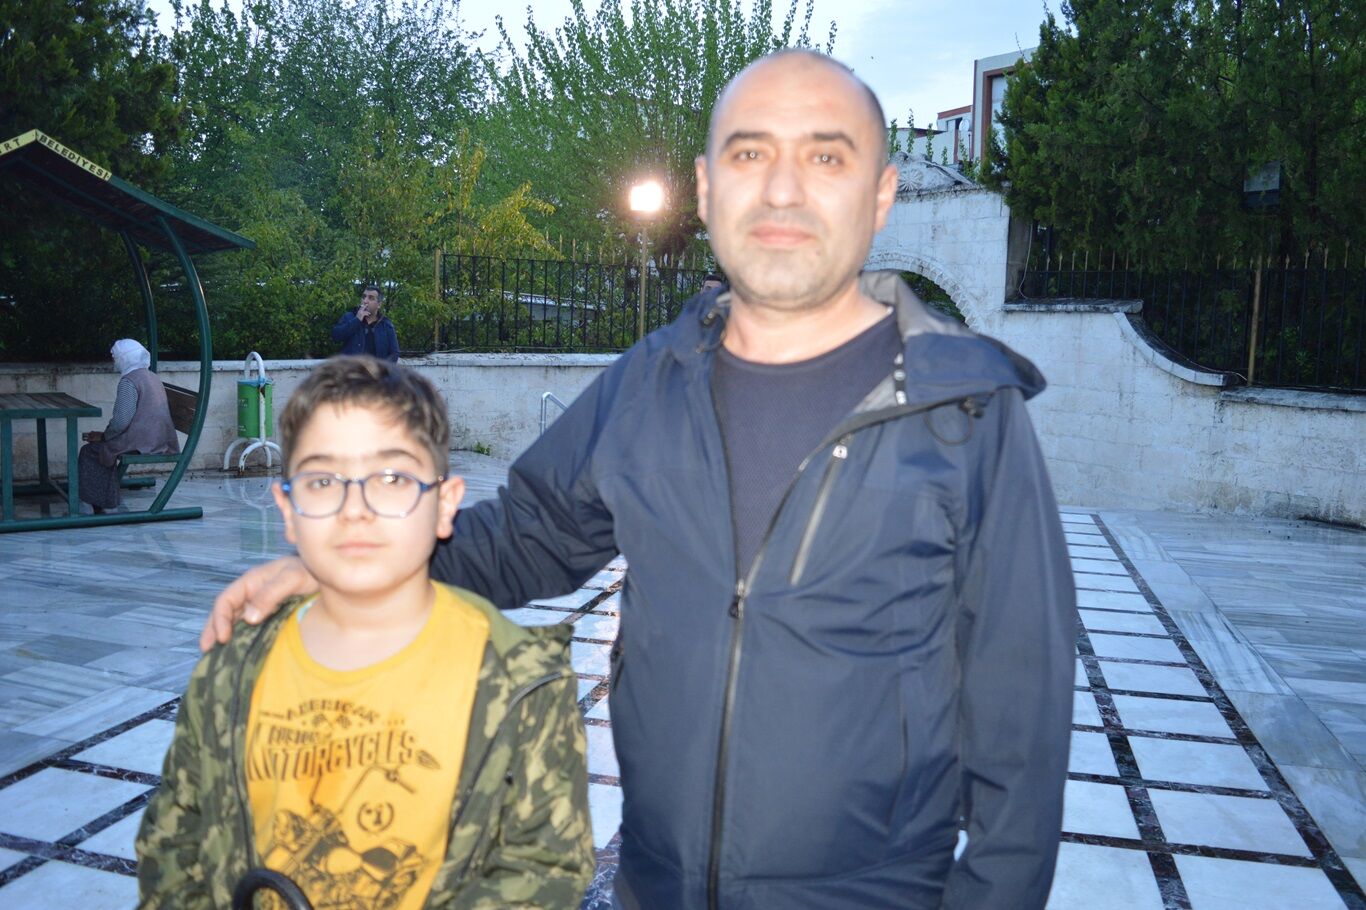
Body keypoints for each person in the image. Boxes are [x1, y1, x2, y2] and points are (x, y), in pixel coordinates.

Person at [206, 49, 1076, 909]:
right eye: (750, 153)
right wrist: (350, 572)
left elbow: (1022, 722)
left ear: (880, 194)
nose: (782, 189)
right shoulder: (650, 382)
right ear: (706, 189)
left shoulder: (967, 411)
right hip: (655, 884)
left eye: (825, 156)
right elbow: (526, 535)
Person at [139, 356, 593, 909]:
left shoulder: (524, 687)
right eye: (322, 480)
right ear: (288, 508)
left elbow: (544, 868)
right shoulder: (233, 667)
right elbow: (175, 841)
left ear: (445, 504)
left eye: (393, 478)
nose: (355, 509)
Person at [78, 338, 178, 512]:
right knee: (102, 447)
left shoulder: (129, 381)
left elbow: (121, 421)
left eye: (116, 357)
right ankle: (106, 497)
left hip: (143, 443)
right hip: (159, 439)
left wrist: (104, 436)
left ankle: (100, 503)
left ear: (125, 358)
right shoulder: (152, 376)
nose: (114, 362)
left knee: (90, 451)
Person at [332, 284, 400, 361]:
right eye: (364, 297)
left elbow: (394, 353)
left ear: (379, 304)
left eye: (371, 298)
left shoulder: (386, 324)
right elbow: (336, 337)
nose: (365, 301)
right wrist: (357, 320)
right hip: (352, 367)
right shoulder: (349, 317)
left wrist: (382, 367)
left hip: (375, 368)